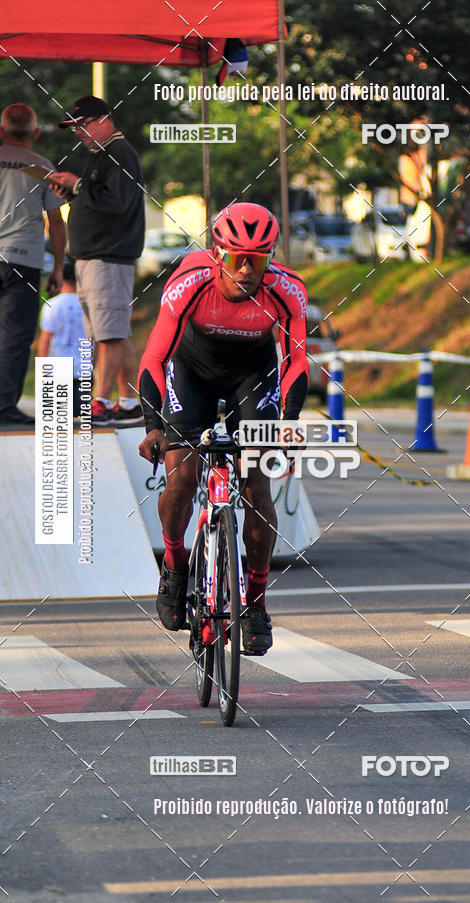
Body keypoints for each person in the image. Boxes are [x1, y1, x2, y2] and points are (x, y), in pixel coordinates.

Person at [137, 202, 308, 654]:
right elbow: (154, 358)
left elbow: (294, 364)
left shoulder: (287, 291)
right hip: (191, 373)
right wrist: (155, 426)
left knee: (256, 484)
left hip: (251, 378)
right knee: (182, 477)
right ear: (217, 253)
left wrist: (287, 426)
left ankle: (255, 604)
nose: (249, 269)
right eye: (238, 258)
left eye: (262, 258)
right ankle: (174, 566)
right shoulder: (188, 283)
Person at [49, 96, 145, 426]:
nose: (78, 132)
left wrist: (77, 185)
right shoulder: (102, 155)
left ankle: (101, 403)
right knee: (113, 333)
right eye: (74, 128)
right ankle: (129, 402)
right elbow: (101, 199)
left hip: (108, 257)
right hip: (95, 257)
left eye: (83, 125)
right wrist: (75, 192)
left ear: (104, 119)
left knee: (109, 335)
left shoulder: (118, 153)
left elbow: (116, 202)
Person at [0, 103, 65, 425]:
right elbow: (57, 221)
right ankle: (4, 407)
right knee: (15, 335)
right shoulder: (42, 168)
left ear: (1, 132)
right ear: (36, 133)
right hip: (23, 260)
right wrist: (58, 267)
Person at [37, 260, 87, 416]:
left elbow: (45, 339)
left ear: (60, 278)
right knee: (82, 423)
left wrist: (43, 368)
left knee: (58, 421)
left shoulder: (52, 305)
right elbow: (97, 341)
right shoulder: (88, 305)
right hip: (83, 368)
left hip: (56, 370)